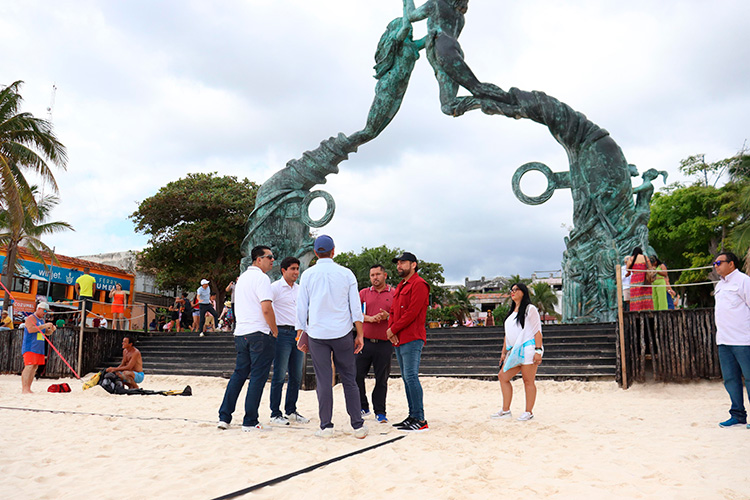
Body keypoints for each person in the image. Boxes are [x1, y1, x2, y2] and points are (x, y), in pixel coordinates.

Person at [296, 235, 368, 439]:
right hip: (342, 332)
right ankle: (357, 425)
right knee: (349, 378)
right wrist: (360, 334)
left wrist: (299, 332)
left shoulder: (308, 275)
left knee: (323, 380)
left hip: (317, 333)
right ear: (333, 251)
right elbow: (355, 307)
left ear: (316, 252)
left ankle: (326, 426)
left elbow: (301, 307)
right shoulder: (346, 274)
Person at [403, 0, 510, 116]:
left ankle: (506, 100)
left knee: (468, 93)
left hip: (442, 50)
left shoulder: (435, 3)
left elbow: (411, 16)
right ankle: (496, 103)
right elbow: (443, 33)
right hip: (454, 50)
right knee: (450, 104)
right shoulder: (460, 17)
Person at [217, 245, 278, 431]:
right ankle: (250, 421)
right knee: (258, 377)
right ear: (258, 259)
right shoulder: (262, 278)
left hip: (241, 333)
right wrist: (275, 330)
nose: (272, 260)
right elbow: (266, 308)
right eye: (269, 257)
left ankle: (224, 417)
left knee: (239, 374)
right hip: (259, 332)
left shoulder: (242, 279)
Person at [387, 251, 430, 432]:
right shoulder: (402, 285)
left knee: (411, 376)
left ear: (414, 264)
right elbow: (393, 311)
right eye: (398, 263)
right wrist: (391, 330)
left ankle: (420, 419)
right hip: (400, 337)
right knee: (406, 378)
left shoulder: (419, 284)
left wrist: (393, 329)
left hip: (412, 336)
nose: (399, 266)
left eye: (403, 263)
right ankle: (412, 415)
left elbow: (412, 312)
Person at [492, 282, 544, 421]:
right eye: (511, 290)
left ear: (523, 292)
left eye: (516, 289)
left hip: (528, 348)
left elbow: (537, 330)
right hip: (513, 351)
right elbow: (507, 335)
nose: (512, 292)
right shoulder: (511, 313)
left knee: (528, 381)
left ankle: (528, 411)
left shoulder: (529, 309)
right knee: (503, 376)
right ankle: (506, 409)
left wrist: (538, 350)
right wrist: (503, 353)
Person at [268, 256, 310, 426]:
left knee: (296, 375)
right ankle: (275, 413)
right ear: (283, 270)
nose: (296, 272)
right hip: (282, 333)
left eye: (297, 269)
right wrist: (274, 331)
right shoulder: (275, 288)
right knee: (279, 374)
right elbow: (266, 308)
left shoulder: (300, 289)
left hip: (298, 333)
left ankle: (291, 410)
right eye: (292, 269)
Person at [712, 251, 750, 428]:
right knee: (730, 379)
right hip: (724, 341)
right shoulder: (719, 285)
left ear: (731, 264)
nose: (716, 266)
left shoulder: (744, 281)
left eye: (719, 263)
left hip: (744, 339)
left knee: (749, 378)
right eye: (715, 263)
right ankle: (738, 415)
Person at [356, 264, 396, 424]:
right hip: (364, 342)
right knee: (357, 375)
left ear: (385, 275)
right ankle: (363, 406)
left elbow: (399, 315)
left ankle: (380, 411)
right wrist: (369, 318)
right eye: (372, 275)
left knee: (382, 379)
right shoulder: (364, 293)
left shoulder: (394, 294)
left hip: (385, 343)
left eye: (378, 274)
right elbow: (355, 312)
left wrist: (389, 316)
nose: (375, 277)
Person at [21, 302, 56, 393]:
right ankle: (24, 388)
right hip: (30, 346)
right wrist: (45, 325)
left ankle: (28, 388)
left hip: (39, 347)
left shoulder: (41, 320)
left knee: (34, 367)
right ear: (39, 308)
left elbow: (44, 332)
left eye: (47, 311)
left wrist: (51, 330)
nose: (45, 313)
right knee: (29, 366)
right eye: (44, 310)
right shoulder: (31, 318)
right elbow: (31, 329)